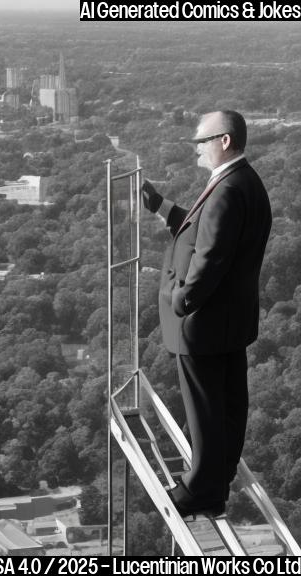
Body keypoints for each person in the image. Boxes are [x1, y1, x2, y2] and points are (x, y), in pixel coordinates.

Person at [139, 110, 271, 518]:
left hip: (204, 324)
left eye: (202, 140)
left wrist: (181, 300)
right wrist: (160, 206)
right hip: (230, 321)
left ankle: (199, 490)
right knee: (229, 406)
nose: (196, 148)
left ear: (225, 140)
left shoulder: (227, 189)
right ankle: (217, 485)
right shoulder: (244, 182)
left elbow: (210, 256)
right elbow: (203, 232)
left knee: (206, 413)